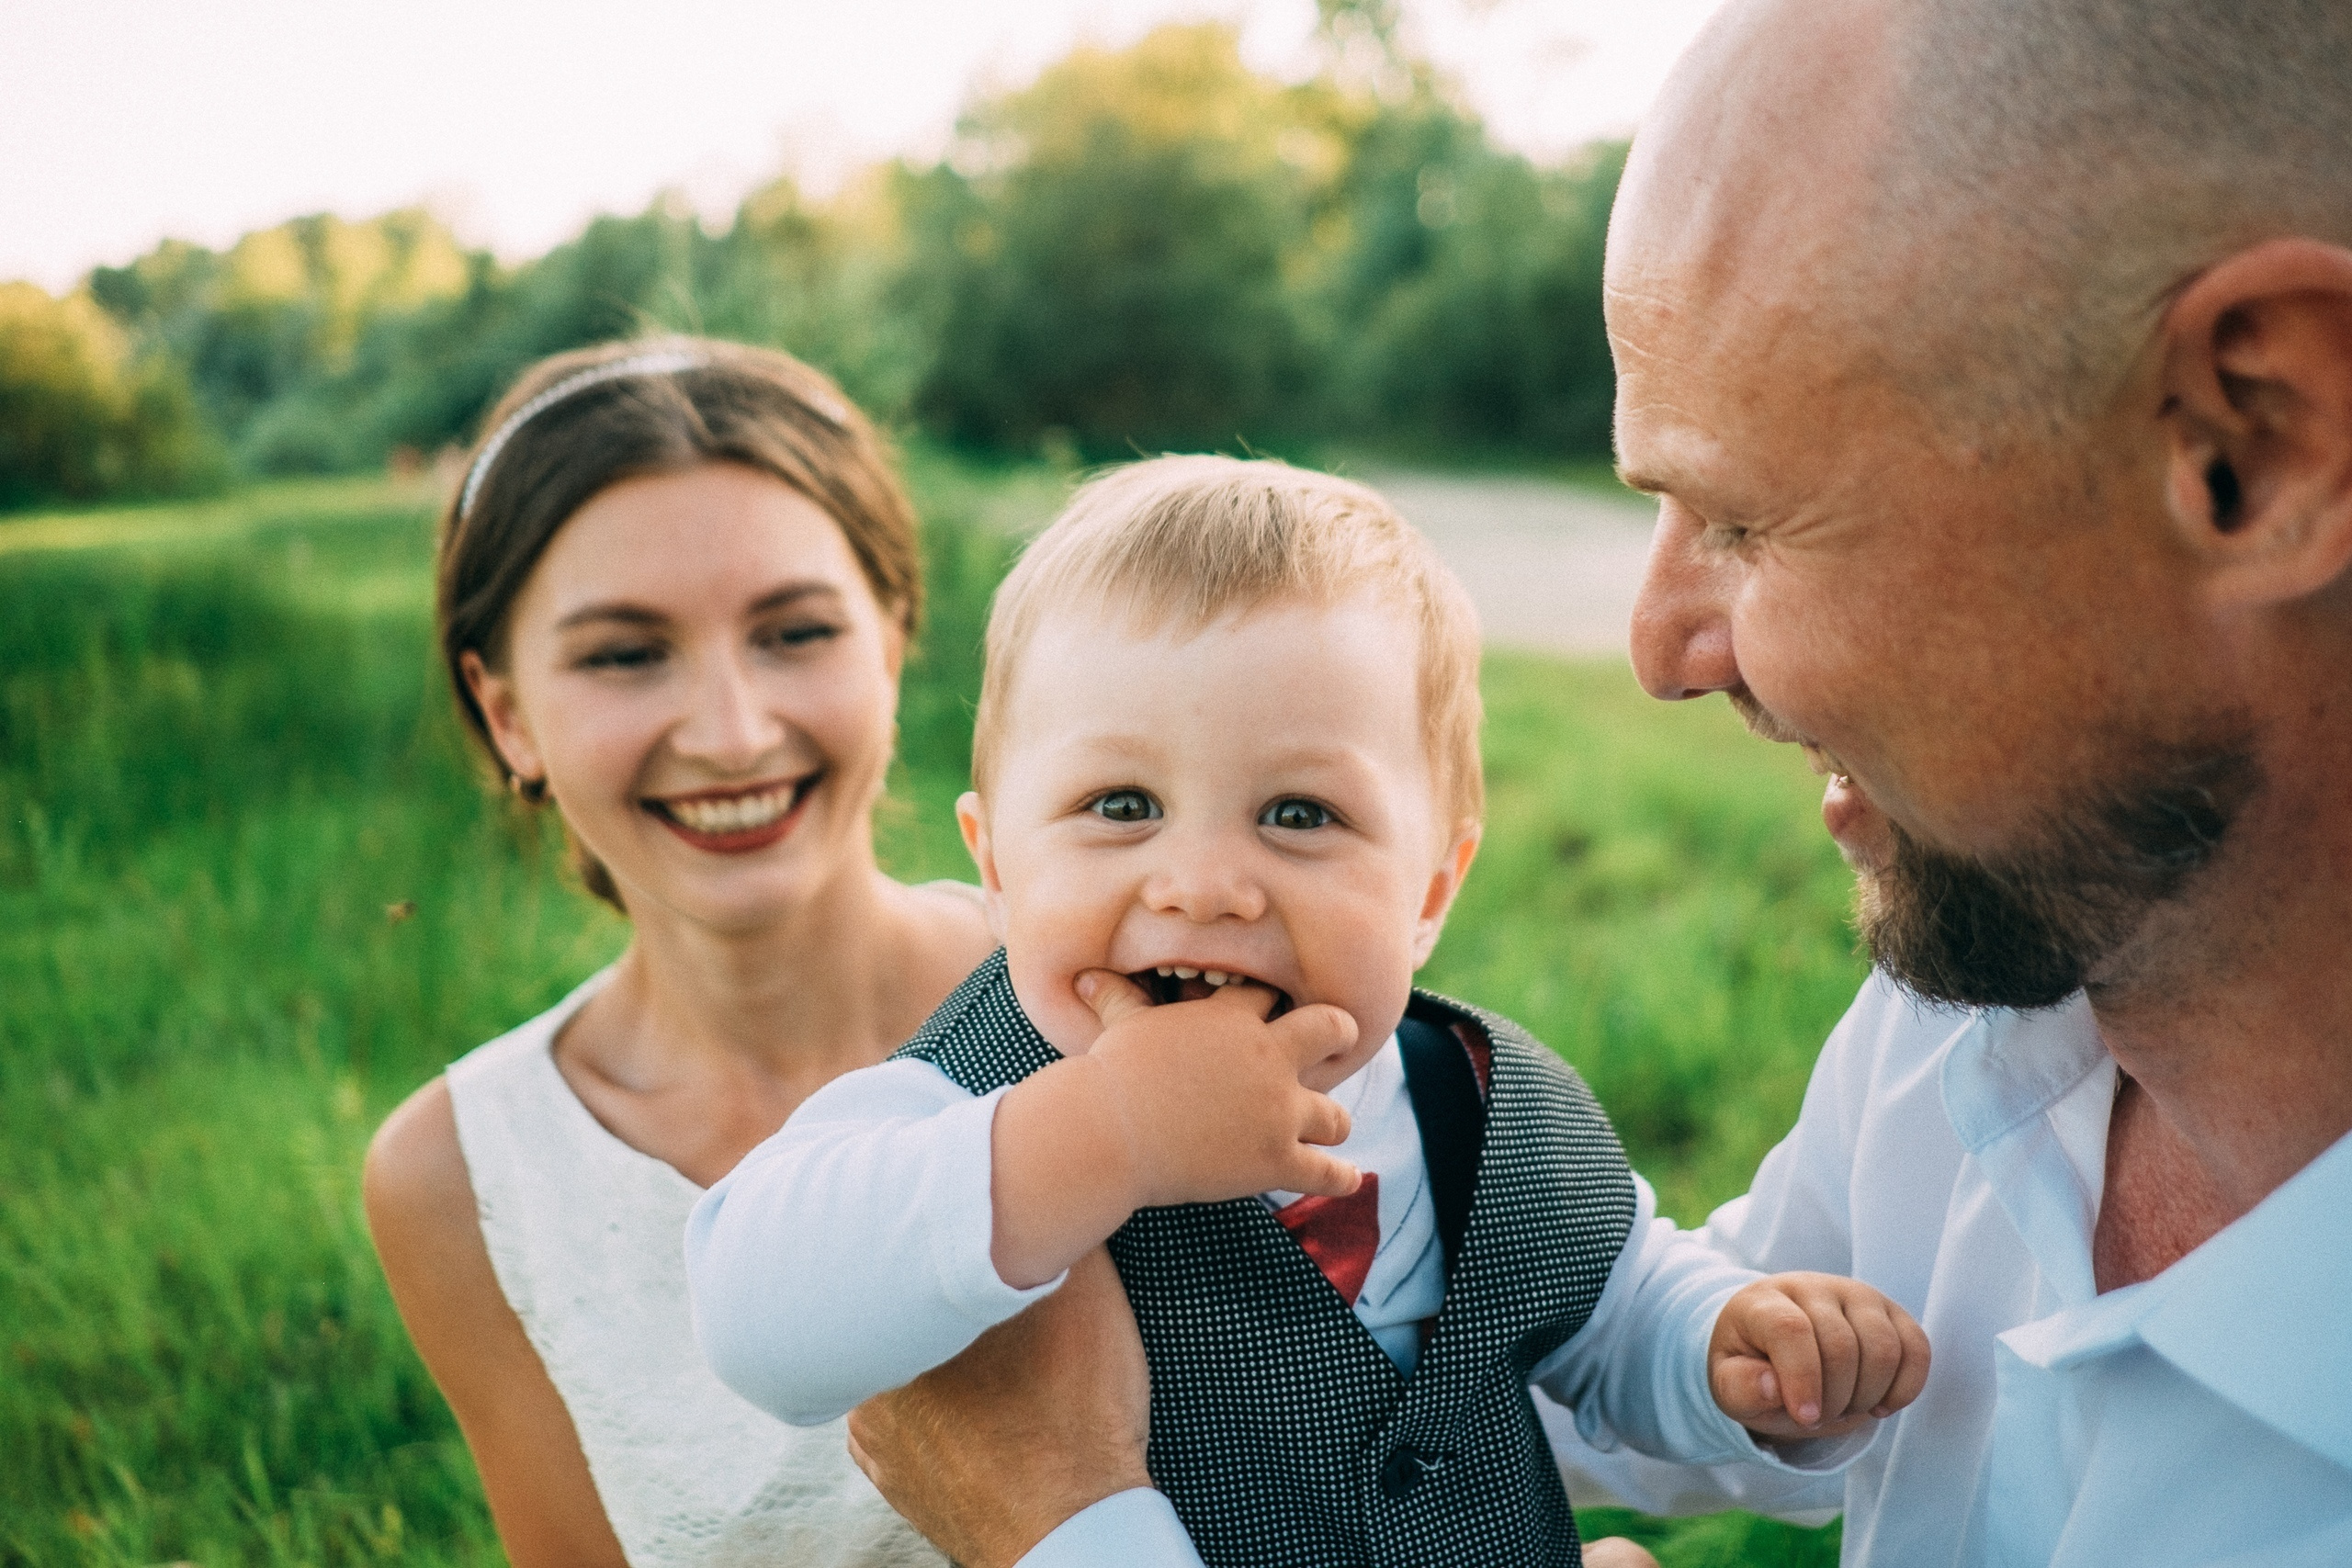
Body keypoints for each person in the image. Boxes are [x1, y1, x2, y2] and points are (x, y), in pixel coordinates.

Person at [832, 0, 2352, 1563]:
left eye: (1747, 519)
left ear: (2256, 439)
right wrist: (1714, 1350)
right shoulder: (1979, 1007)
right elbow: (1584, 1354)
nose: (1660, 647)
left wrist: (1064, 1516)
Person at [688, 457, 1928, 1567]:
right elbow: (755, 1313)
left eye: (1299, 815)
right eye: (1121, 804)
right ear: (997, 865)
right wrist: (1105, 1131)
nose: (1203, 886)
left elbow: (1607, 1316)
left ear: (1432, 886)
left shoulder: (1482, 1106)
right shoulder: (965, 1110)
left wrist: (1719, 1346)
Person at [361, 337, 995, 1567]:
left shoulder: (1114, 997)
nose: (732, 730)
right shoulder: (458, 1179)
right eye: (625, 655)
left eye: (796, 632)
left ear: (894, 634)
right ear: (507, 715)